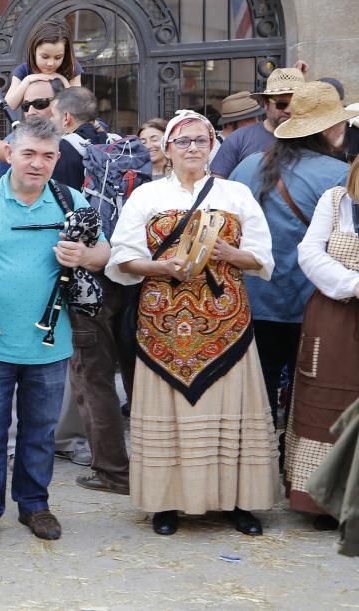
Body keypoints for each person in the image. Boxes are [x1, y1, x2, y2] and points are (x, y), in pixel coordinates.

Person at [106, 110, 278, 537]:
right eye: (182, 142)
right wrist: (161, 265)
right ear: (167, 148)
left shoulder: (236, 194)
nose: (192, 149)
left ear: (212, 146)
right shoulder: (145, 197)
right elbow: (120, 257)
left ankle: (240, 502)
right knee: (170, 413)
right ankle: (167, 503)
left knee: (229, 411)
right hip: (163, 322)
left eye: (200, 141)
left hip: (225, 324)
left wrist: (226, 253)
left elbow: (263, 257)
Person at [0, 116, 109, 548]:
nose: (37, 163)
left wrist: (86, 254)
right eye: (28, 154)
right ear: (9, 154)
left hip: (50, 342)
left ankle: (34, 504)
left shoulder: (71, 199)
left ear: (57, 159)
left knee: (39, 430)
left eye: (47, 155)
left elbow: (104, 252)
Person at [229, 81, 352, 432]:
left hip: (252, 299)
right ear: (330, 127)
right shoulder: (338, 175)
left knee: (257, 396)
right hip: (312, 305)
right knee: (308, 397)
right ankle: (296, 469)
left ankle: (257, 468)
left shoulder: (247, 166)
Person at [50, 88, 132, 494]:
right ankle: (153, 464)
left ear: (65, 118)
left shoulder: (61, 152)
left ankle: (114, 472)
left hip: (87, 275)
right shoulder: (119, 148)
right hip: (130, 269)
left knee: (93, 377)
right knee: (133, 376)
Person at [289, 160, 359, 530]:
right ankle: (328, 500)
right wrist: (351, 283)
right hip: (336, 315)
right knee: (330, 406)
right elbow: (311, 253)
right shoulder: (335, 201)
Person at [210, 68, 306, 178]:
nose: (289, 110)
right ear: (266, 104)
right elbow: (218, 185)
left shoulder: (313, 138)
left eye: (296, 104)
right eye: (281, 104)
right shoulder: (239, 139)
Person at [4, 19, 82, 110]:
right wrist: (27, 80)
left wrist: (63, 80)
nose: (50, 63)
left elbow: (78, 107)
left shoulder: (71, 67)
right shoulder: (23, 71)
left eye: (58, 57)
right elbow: (8, 107)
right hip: (36, 122)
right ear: (34, 51)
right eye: (45, 57)